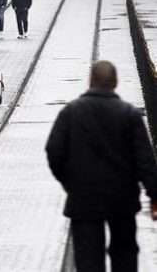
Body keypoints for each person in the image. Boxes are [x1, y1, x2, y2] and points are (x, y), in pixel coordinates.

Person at [46, 61, 157, 272]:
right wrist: (154, 195)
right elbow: (145, 160)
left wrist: (70, 182)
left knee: (88, 262)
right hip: (122, 201)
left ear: (90, 82)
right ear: (115, 83)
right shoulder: (130, 115)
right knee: (124, 256)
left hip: (84, 201)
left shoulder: (71, 113)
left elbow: (54, 152)